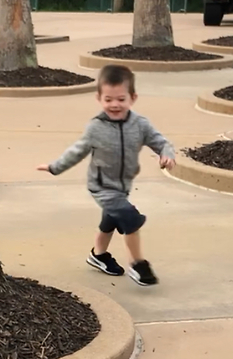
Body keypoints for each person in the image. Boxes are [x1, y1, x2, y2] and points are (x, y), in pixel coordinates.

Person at [36, 64, 176, 286]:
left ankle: (98, 255)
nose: (114, 105)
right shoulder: (95, 128)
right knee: (130, 219)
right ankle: (138, 265)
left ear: (133, 98)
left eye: (121, 99)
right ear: (99, 98)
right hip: (101, 186)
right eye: (108, 99)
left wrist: (166, 154)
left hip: (122, 186)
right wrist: (55, 167)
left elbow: (161, 142)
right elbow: (77, 150)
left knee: (110, 219)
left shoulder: (140, 125)